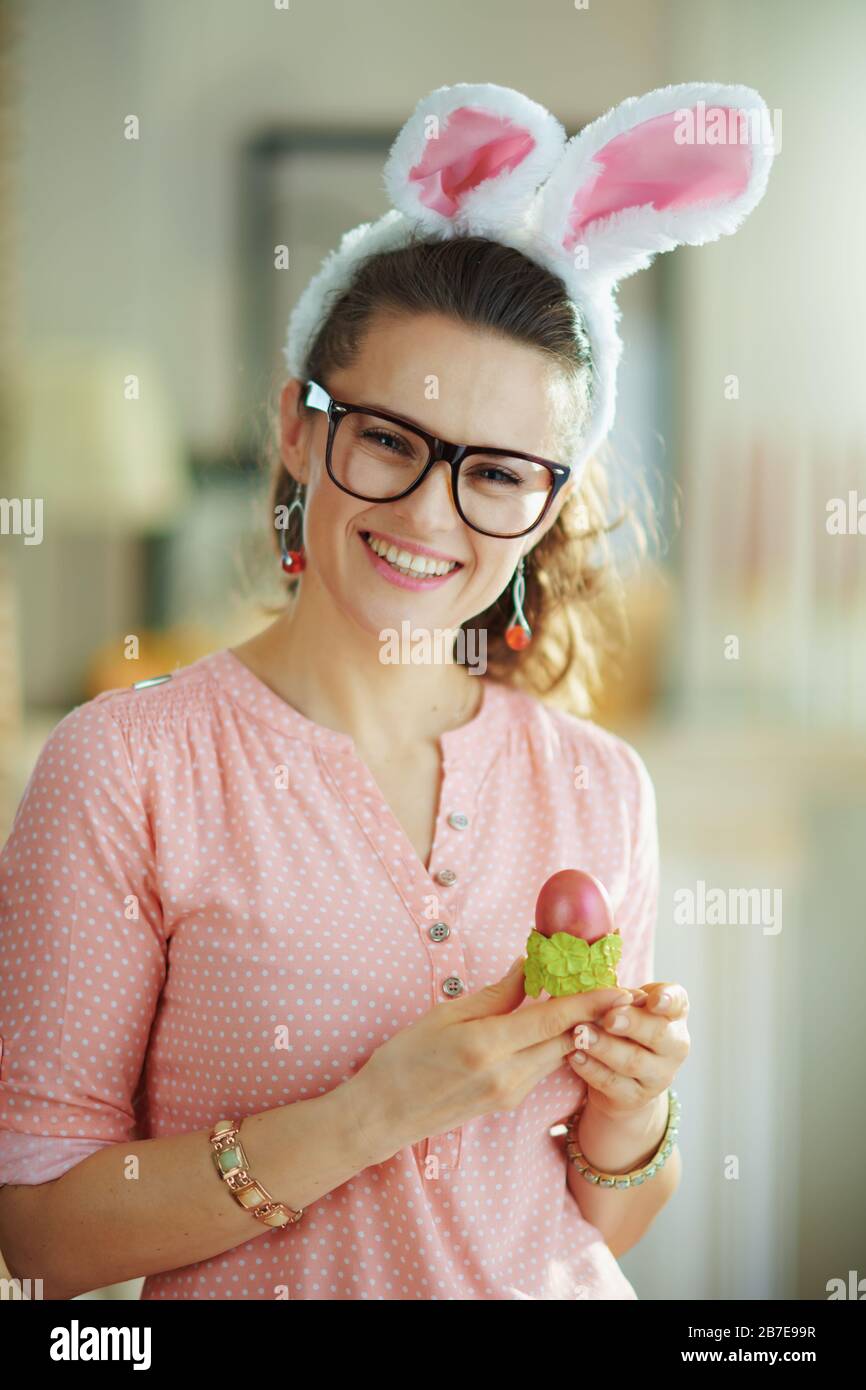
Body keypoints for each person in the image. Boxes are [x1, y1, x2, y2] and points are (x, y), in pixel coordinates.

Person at [0, 78, 774, 1300]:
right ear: (301, 432)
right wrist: (366, 1115)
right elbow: (43, 1232)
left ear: (546, 506)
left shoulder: (596, 784)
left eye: (498, 473)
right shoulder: (126, 767)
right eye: (387, 439)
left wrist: (632, 1116)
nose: (426, 514)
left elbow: (588, 1222)